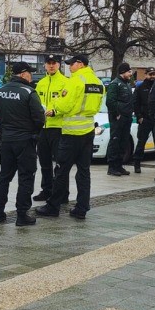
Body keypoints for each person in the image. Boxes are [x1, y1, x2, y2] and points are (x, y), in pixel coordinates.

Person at [36, 54, 104, 220]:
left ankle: (53, 207)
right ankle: (82, 208)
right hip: (88, 130)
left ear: (80, 64)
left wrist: (54, 107)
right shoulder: (98, 82)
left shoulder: (75, 80)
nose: (70, 67)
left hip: (71, 132)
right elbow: (98, 105)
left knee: (61, 170)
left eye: (71, 64)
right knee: (84, 171)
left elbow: (65, 104)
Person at [0, 61, 46, 226]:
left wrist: (8, 125)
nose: (31, 76)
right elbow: (39, 118)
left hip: (7, 141)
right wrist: (30, 130)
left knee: (4, 177)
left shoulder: (1, 91)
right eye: (30, 73)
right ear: (23, 74)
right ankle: (22, 215)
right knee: (26, 177)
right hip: (25, 141)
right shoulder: (29, 92)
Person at [33, 54, 68, 201]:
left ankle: (62, 194)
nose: (51, 66)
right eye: (49, 63)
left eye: (54, 63)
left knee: (60, 163)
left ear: (59, 65)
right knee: (44, 162)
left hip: (58, 128)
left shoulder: (65, 82)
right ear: (45, 65)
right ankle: (46, 190)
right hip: (43, 128)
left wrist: (55, 112)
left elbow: (67, 104)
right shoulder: (41, 83)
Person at [104, 62, 134, 176]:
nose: (130, 73)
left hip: (127, 118)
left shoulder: (126, 84)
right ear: (123, 72)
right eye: (129, 71)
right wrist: (116, 113)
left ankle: (119, 165)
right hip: (118, 118)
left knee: (123, 141)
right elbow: (110, 101)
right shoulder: (115, 84)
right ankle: (112, 167)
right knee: (115, 141)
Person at [128, 68, 155, 174]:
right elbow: (135, 103)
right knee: (141, 143)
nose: (152, 76)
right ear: (145, 75)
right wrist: (139, 116)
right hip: (145, 119)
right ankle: (137, 164)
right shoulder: (140, 87)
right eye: (150, 74)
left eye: (154, 74)